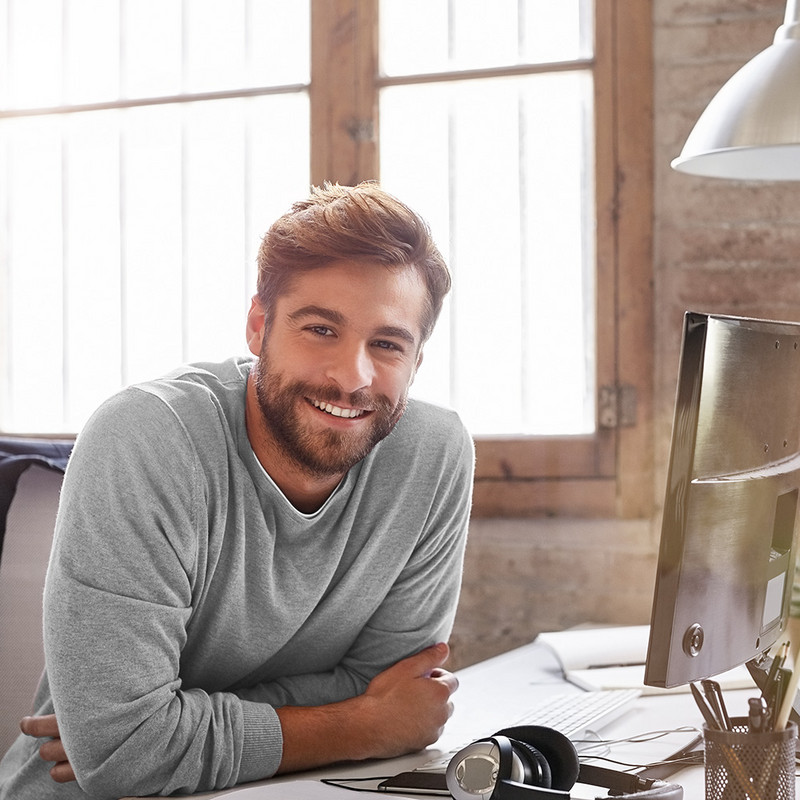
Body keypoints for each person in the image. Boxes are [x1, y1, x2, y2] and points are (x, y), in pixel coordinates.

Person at [0, 182, 474, 799]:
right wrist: (365, 723)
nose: (351, 376)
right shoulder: (146, 437)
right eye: (320, 329)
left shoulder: (433, 454)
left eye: (386, 344)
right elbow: (123, 759)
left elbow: (395, 687)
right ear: (258, 327)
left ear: (416, 361)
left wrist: (165, 725)